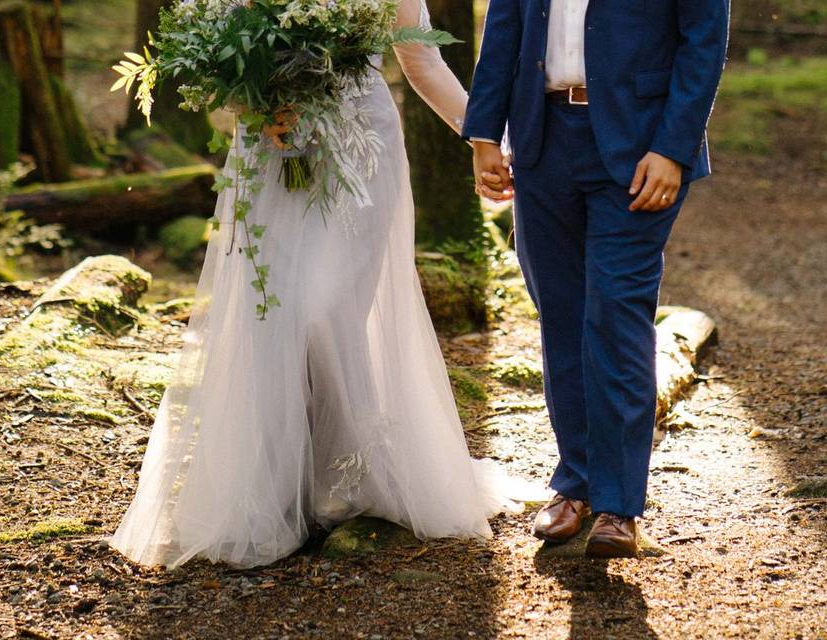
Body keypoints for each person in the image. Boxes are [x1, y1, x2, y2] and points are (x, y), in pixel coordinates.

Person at [109, 0, 535, 570]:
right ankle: (276, 488)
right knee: (276, 309)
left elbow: (423, 61)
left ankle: (348, 473)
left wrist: (488, 139)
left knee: (326, 310)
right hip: (271, 149)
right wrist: (256, 104)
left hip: (361, 149)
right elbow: (217, 52)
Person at [463, 0, 729, 557]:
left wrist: (673, 148)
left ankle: (618, 504)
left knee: (615, 313)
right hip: (540, 139)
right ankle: (575, 485)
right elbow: (506, 27)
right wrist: (485, 133)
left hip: (640, 145)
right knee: (560, 315)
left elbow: (703, 39)